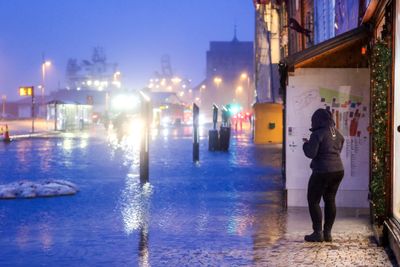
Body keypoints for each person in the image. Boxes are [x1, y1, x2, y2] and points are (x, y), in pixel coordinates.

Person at [302, 108, 344, 242]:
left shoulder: (318, 134)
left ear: (317, 120)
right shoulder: (337, 133)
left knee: (313, 200)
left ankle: (317, 233)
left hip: (322, 171)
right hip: (338, 170)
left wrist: (305, 144)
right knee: (330, 200)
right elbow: (338, 147)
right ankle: (327, 233)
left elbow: (310, 153)